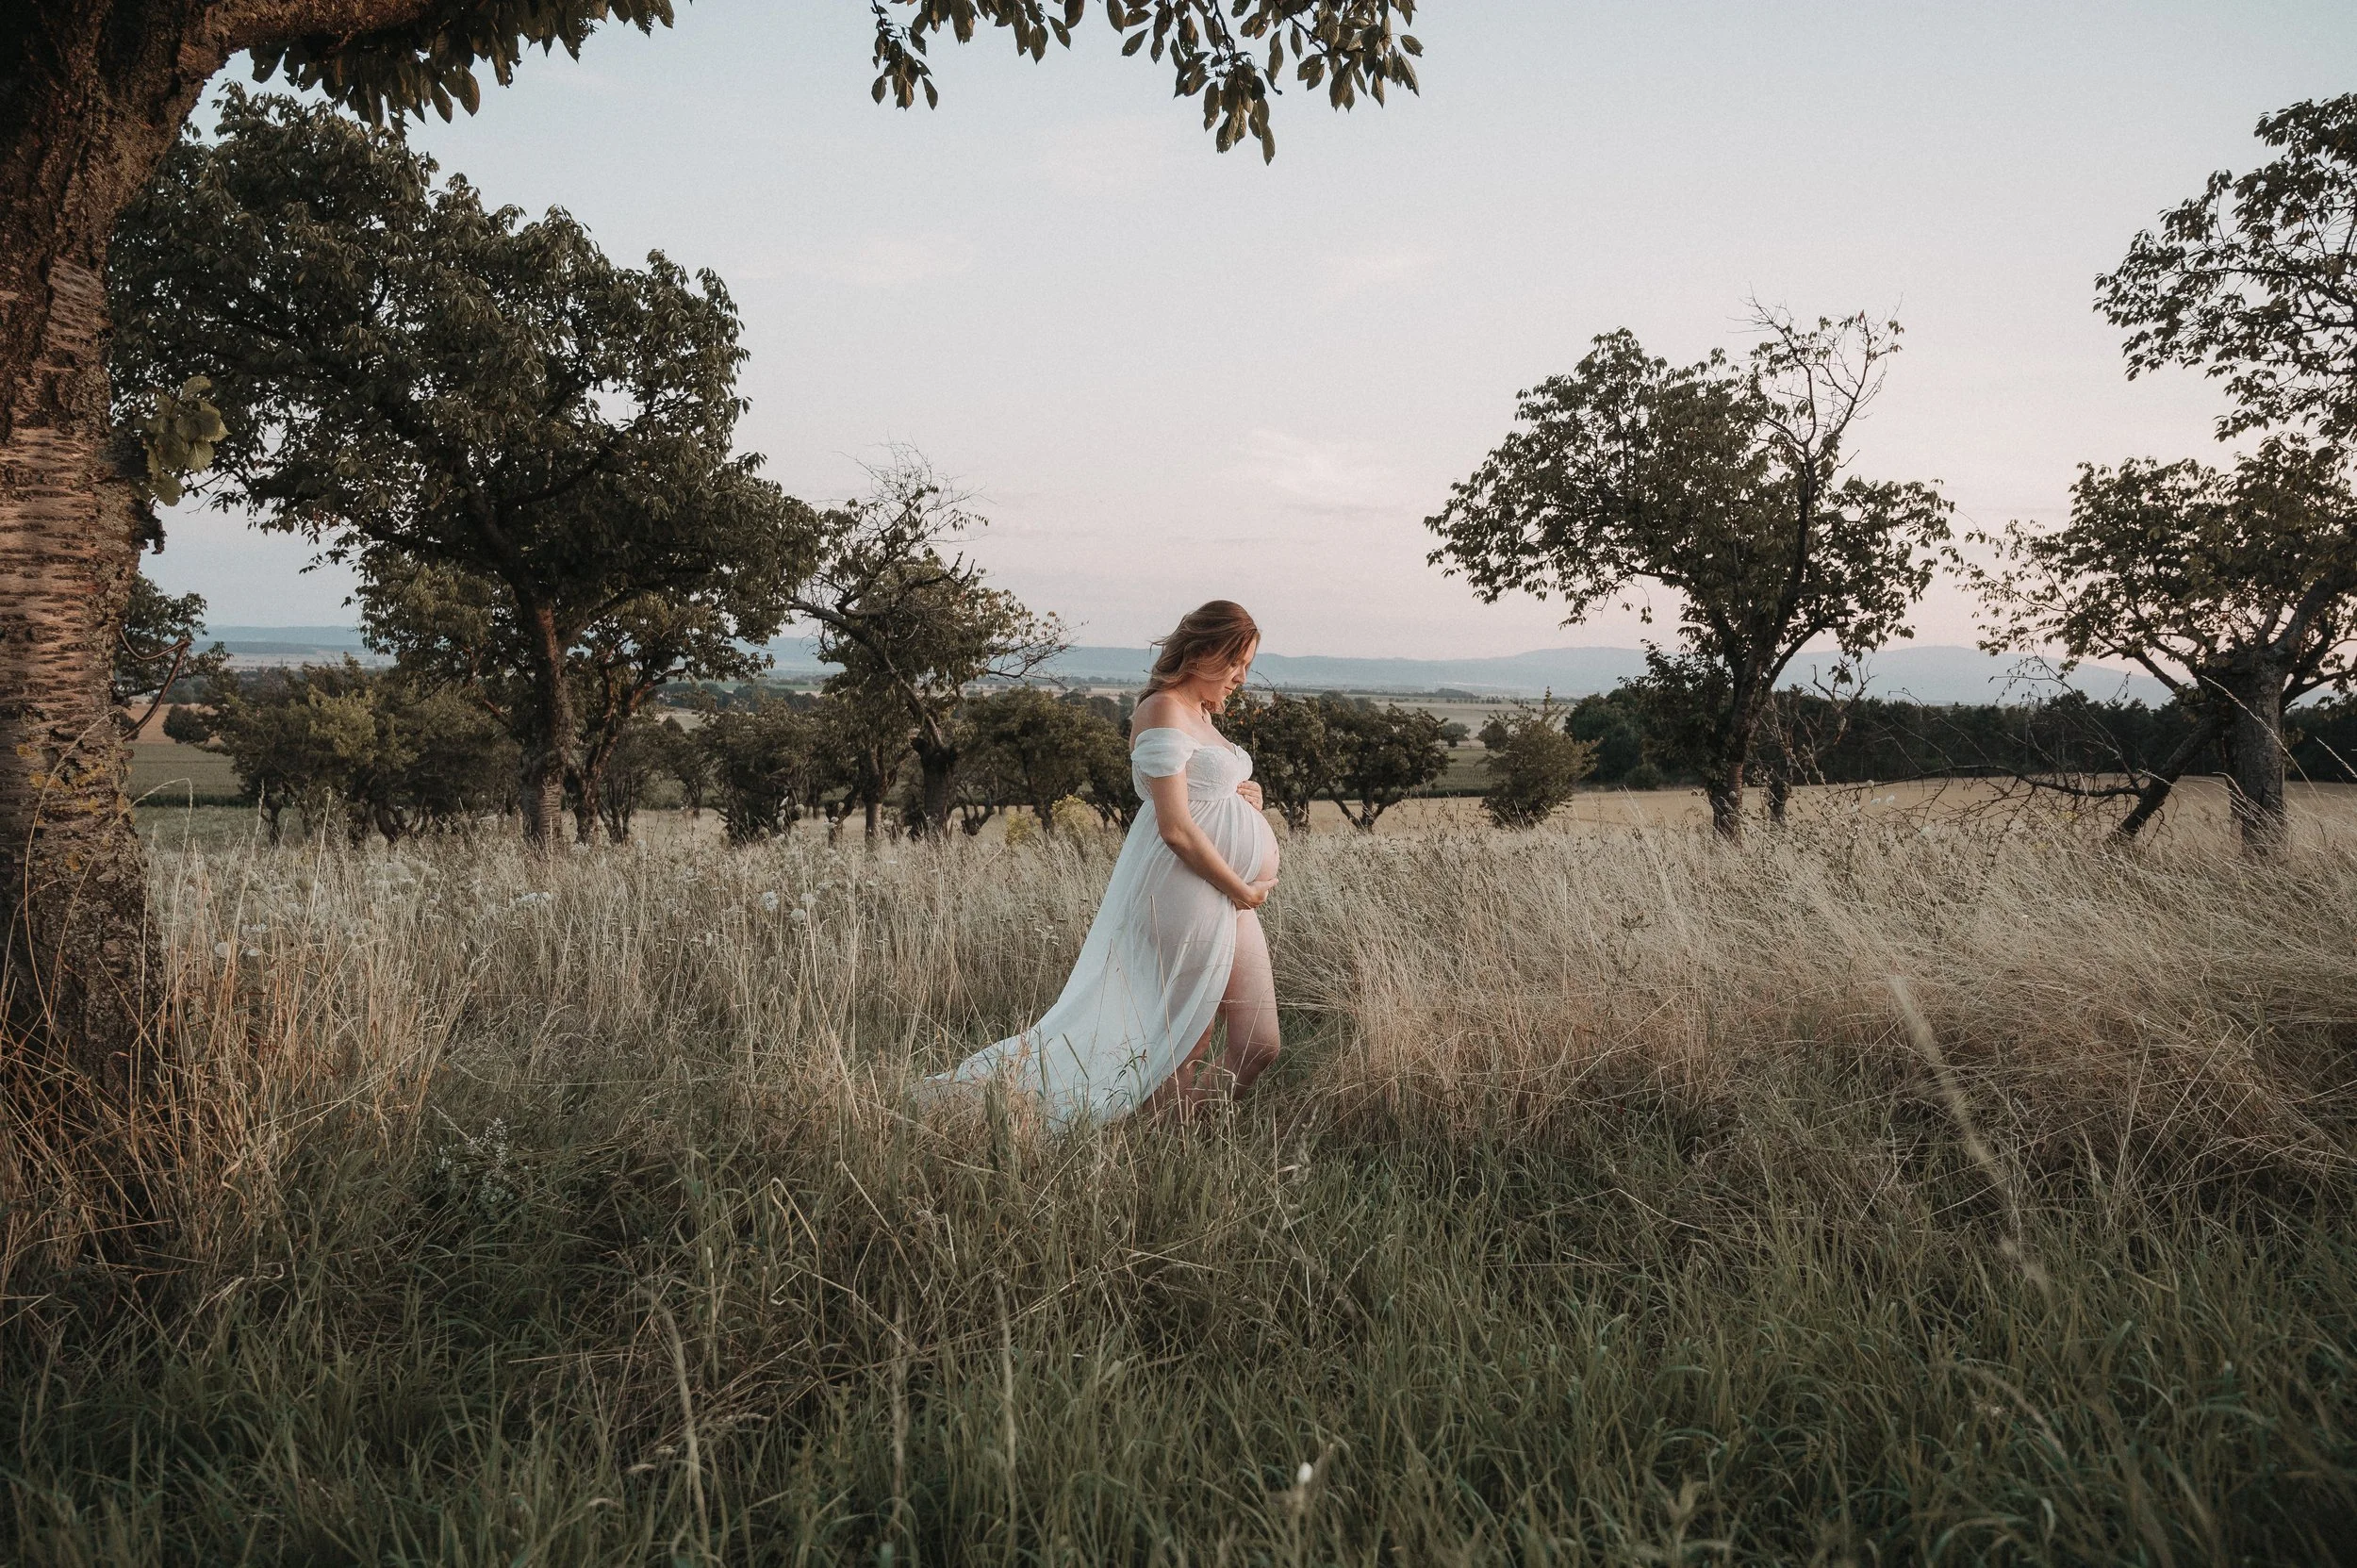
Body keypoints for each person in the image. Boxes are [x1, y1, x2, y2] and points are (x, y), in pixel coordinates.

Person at [927, 601, 1282, 1128]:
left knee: (1259, 1042)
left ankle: (1175, 1134)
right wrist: (1245, 889)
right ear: (1206, 650)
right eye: (1237, 662)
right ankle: (1160, 1148)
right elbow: (1176, 827)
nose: (1241, 677)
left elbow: (1207, 794)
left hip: (1227, 892)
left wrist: (1243, 794)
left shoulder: (1204, 714)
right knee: (1181, 1039)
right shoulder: (1163, 708)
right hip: (1187, 886)